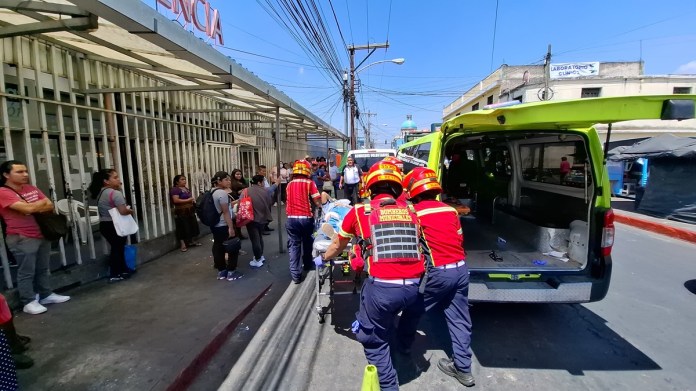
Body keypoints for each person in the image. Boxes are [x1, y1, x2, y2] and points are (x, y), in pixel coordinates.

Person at [320, 161, 425, 391]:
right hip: (414, 289)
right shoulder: (413, 211)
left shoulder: (360, 211)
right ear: (397, 188)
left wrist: (325, 258)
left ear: (369, 187)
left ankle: (388, 386)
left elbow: (338, 244)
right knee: (394, 320)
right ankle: (403, 346)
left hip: (382, 290)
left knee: (373, 340)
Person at [400, 167, 475, 387]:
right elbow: (459, 240)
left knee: (413, 309)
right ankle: (464, 370)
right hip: (461, 269)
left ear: (413, 192)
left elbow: (411, 246)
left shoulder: (414, 213)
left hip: (438, 273)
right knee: (460, 319)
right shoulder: (451, 211)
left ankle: (403, 346)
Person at [0, 160, 71, 314]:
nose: (25, 174)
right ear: (6, 175)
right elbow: (28, 207)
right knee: (26, 271)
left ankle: (46, 294)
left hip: (41, 233)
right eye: (19, 172)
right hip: (22, 237)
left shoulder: (30, 188)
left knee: (42, 268)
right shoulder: (3, 192)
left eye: (25, 171)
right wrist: (35, 206)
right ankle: (29, 301)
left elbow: (50, 204)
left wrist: (32, 207)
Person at [88, 169, 134, 283]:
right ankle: (116, 273)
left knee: (117, 248)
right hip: (114, 224)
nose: (118, 179)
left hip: (105, 224)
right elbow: (123, 211)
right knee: (117, 249)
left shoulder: (101, 193)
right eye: (115, 177)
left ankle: (123, 270)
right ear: (106, 181)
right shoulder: (115, 193)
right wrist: (131, 211)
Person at [285, 160, 321, 283]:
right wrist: (321, 206)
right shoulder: (309, 183)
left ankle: (295, 275)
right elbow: (317, 201)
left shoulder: (289, 184)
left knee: (294, 246)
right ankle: (307, 264)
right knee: (307, 243)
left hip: (291, 219)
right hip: (306, 219)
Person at [210, 171, 243, 281]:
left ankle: (222, 272)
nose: (229, 182)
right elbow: (226, 212)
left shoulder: (211, 192)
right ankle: (231, 272)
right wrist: (231, 227)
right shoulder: (222, 193)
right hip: (224, 224)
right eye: (226, 180)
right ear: (219, 181)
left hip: (215, 225)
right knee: (232, 247)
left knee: (218, 247)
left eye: (229, 179)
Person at [246, 175, 273, 268]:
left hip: (251, 218)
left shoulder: (246, 191)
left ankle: (257, 259)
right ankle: (260, 256)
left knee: (255, 239)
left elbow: (241, 202)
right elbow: (270, 202)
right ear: (259, 182)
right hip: (263, 218)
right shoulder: (266, 191)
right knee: (259, 237)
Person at [170, 175, 201, 252]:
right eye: (182, 179)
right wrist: (188, 200)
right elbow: (176, 200)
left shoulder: (186, 189)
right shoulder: (175, 190)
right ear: (177, 181)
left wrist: (192, 201)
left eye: (185, 179)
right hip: (181, 211)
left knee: (192, 225)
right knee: (182, 227)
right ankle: (183, 244)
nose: (184, 181)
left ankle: (191, 241)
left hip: (190, 210)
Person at [229, 169, 249, 240]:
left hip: (243, 201)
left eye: (240, 174)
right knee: (235, 218)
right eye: (237, 174)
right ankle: (236, 234)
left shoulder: (242, 181)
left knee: (240, 218)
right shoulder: (232, 183)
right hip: (235, 201)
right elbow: (232, 192)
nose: (239, 176)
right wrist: (239, 192)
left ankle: (239, 234)